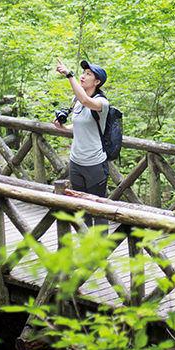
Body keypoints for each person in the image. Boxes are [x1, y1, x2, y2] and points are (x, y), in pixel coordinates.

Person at [54, 58, 110, 231]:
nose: (83, 76)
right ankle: (85, 245)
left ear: (97, 82)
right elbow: (79, 125)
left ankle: (102, 247)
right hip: (76, 162)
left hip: (94, 164)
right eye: (83, 73)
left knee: (98, 209)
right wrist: (63, 127)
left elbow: (86, 101)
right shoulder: (76, 100)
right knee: (80, 208)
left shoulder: (102, 103)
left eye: (88, 74)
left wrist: (69, 75)